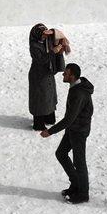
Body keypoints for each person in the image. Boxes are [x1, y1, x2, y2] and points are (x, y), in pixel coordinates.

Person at [40, 63, 95, 204]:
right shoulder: (76, 87)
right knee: (61, 153)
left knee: (79, 162)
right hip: (72, 129)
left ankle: (83, 194)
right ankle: (76, 183)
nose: (63, 75)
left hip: (79, 131)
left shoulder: (79, 93)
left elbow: (69, 118)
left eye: (66, 73)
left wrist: (50, 131)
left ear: (72, 76)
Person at [28, 24, 70, 130]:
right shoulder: (34, 46)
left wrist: (54, 35)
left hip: (48, 74)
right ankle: (38, 123)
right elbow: (41, 60)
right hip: (38, 75)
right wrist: (53, 51)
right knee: (40, 99)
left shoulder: (47, 41)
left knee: (49, 97)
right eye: (42, 35)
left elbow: (57, 34)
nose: (44, 37)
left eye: (45, 34)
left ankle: (49, 118)